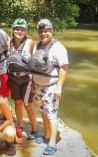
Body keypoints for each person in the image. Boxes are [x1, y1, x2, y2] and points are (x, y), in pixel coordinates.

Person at [29, 19, 69, 155]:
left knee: (52, 114)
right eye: (41, 31)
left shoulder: (58, 47)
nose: (43, 34)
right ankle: (46, 136)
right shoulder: (36, 46)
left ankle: (52, 142)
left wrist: (59, 87)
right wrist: (32, 82)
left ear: (51, 31)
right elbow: (34, 65)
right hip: (38, 86)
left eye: (46, 31)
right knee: (43, 112)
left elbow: (64, 68)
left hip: (51, 86)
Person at [7, 18, 38, 140]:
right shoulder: (8, 43)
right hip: (13, 78)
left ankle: (34, 129)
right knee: (17, 102)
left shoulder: (30, 43)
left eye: (22, 30)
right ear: (12, 30)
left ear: (25, 31)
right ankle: (19, 126)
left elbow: (39, 55)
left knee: (28, 104)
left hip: (26, 78)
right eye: (16, 29)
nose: (19, 31)